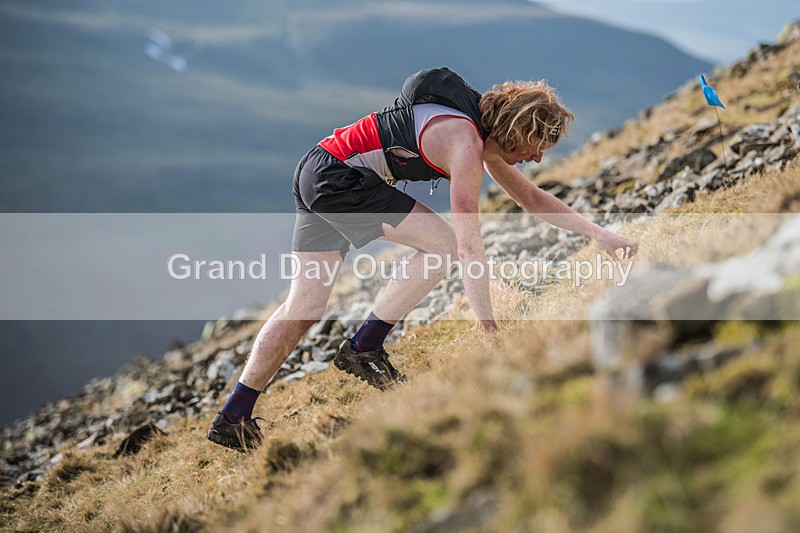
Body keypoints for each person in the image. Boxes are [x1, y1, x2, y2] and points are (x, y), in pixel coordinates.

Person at [207, 67, 638, 451]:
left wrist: (599, 234)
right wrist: (489, 327)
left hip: (316, 168)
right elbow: (469, 247)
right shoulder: (464, 143)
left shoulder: (478, 138)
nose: (539, 157)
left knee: (304, 306)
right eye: (537, 144)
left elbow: (529, 197)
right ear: (515, 130)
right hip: (338, 178)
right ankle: (364, 346)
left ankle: (233, 416)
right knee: (446, 244)